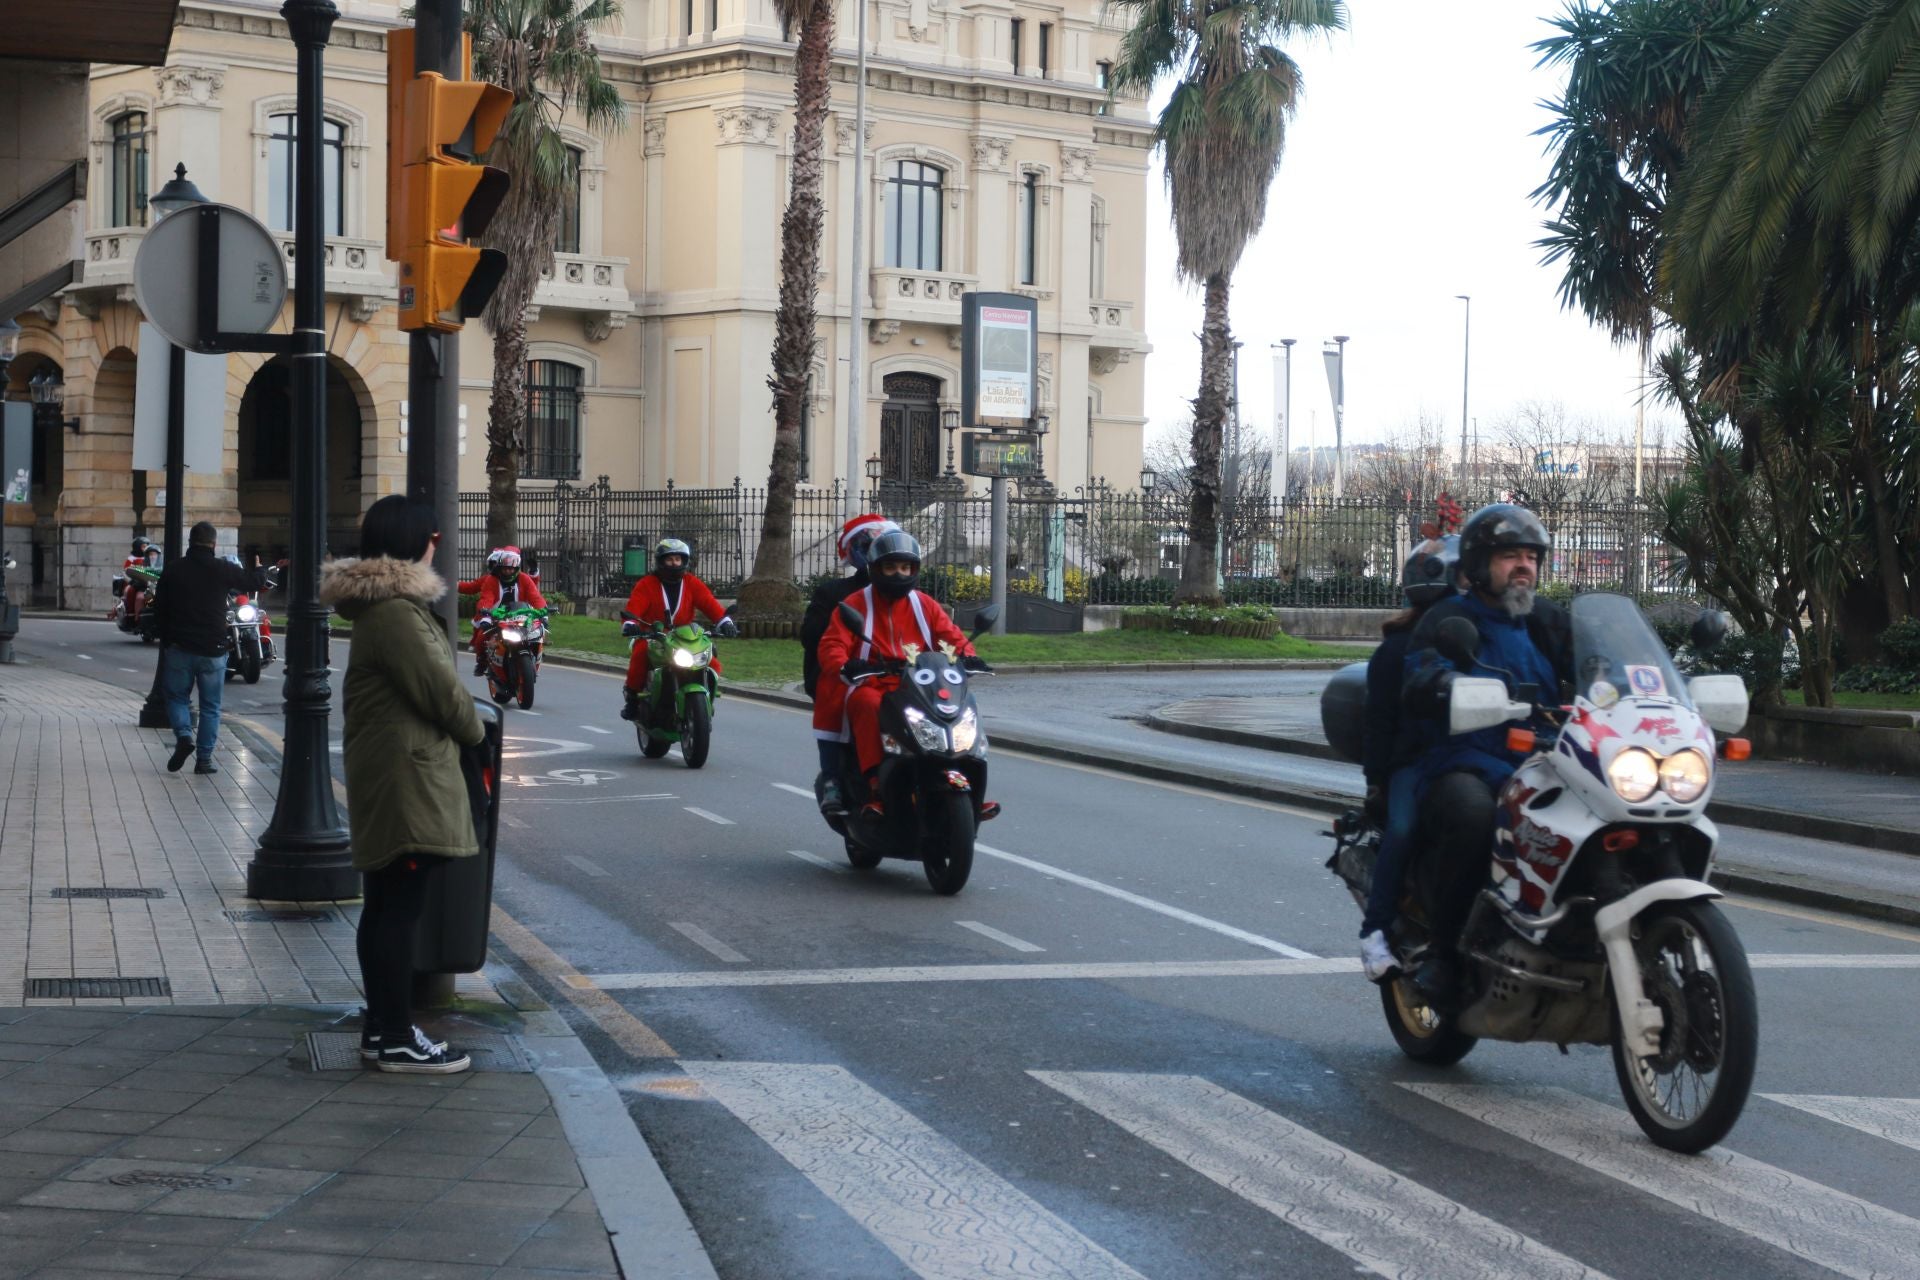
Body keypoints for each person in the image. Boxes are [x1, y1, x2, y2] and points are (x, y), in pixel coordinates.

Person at [319, 495, 482, 1074]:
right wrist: (474, 731)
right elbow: (442, 694)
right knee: (397, 912)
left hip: (394, 775)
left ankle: (382, 1030)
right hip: (407, 781)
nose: (439, 549)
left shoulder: (388, 608)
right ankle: (394, 1036)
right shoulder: (396, 613)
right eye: (435, 540)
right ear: (421, 543)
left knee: (387, 908)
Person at [1400, 503, 1572, 1001]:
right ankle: (1444, 953)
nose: (1524, 567)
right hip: (1468, 759)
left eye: (1531, 557)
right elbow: (1421, 672)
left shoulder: (1546, 620)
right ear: (1477, 566)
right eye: (1509, 556)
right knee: (1476, 815)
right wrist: (1444, 682)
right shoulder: (1449, 618)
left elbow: (1599, 668)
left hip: (1545, 761)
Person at [816, 529, 990, 816]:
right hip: (871, 682)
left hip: (919, 685)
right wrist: (847, 664)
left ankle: (970, 781)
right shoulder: (855, 605)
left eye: (905, 567)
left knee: (962, 709)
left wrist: (969, 657)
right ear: (875, 569)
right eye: (890, 567)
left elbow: (951, 638)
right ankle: (874, 786)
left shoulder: (925, 605)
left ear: (914, 569)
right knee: (866, 703)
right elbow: (833, 644)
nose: (898, 574)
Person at [1357, 529, 1460, 982]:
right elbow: (1377, 722)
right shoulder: (1397, 648)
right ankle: (1374, 932)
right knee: (1402, 827)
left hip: (1468, 757)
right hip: (1414, 763)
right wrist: (1376, 781)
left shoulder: (1479, 634)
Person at [150, 523, 265, 776]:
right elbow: (253, 581)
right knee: (211, 706)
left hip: (180, 646)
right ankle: (204, 760)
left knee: (177, 697)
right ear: (213, 544)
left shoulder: (174, 569)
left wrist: (167, 638)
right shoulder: (222, 568)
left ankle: (183, 735)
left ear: (190, 541)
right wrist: (258, 566)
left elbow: (159, 609)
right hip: (213, 648)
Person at [802, 514, 899, 813]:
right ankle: (832, 777)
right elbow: (814, 638)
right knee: (835, 701)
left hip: (890, 674)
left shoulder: (907, 594)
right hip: (842, 674)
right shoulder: (835, 593)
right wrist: (845, 663)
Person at [620, 538, 735, 720]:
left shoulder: (691, 583)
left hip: (685, 636)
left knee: (712, 662)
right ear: (660, 561)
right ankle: (632, 700)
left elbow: (709, 603)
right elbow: (635, 606)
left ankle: (705, 699)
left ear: (684, 561)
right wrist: (630, 624)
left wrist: (724, 622)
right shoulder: (647, 584)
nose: (674, 563)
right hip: (654, 636)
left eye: (678, 559)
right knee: (640, 655)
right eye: (669, 559)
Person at [459, 546, 548, 676]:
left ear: (516, 568)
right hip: (498, 617)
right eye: (505, 568)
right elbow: (486, 599)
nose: (507, 571)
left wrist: (543, 614)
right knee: (481, 638)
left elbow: (536, 597)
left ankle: (535, 656)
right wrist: (485, 615)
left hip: (521, 615)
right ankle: (482, 662)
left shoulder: (524, 579)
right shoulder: (491, 580)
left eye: (511, 568)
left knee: (537, 632)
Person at [121, 536, 157, 623]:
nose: (145, 548)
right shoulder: (131, 559)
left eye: (147, 546)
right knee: (129, 591)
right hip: (136, 582)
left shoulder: (151, 557)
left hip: (149, 583)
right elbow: (125, 571)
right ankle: (132, 614)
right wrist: (131, 581)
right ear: (137, 547)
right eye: (143, 546)